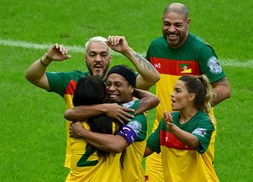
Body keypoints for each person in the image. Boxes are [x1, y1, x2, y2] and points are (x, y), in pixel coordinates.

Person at [25, 36, 160, 171]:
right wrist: (47, 58)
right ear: (85, 58)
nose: (98, 59)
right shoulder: (71, 81)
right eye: (92, 55)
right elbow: (32, 76)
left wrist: (127, 50)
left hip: (116, 168)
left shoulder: (120, 85)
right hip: (83, 162)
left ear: (110, 58)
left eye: (103, 54)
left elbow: (153, 77)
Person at [144, 3, 231, 181]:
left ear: (188, 23)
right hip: (163, 126)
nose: (171, 30)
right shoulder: (155, 47)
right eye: (167, 24)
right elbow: (144, 81)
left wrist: (196, 106)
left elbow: (224, 88)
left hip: (194, 127)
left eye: (178, 25)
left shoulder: (201, 49)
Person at [66, 65, 160, 182]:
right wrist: (106, 108)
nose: (111, 88)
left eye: (118, 84)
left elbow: (117, 144)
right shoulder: (106, 112)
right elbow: (69, 113)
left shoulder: (132, 116)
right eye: (108, 84)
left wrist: (82, 132)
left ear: (131, 88)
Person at [144, 75, 219, 182]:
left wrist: (173, 129)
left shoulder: (205, 122)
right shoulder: (169, 121)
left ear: (191, 97)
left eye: (177, 91)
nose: (172, 94)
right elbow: (145, 150)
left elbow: (194, 141)